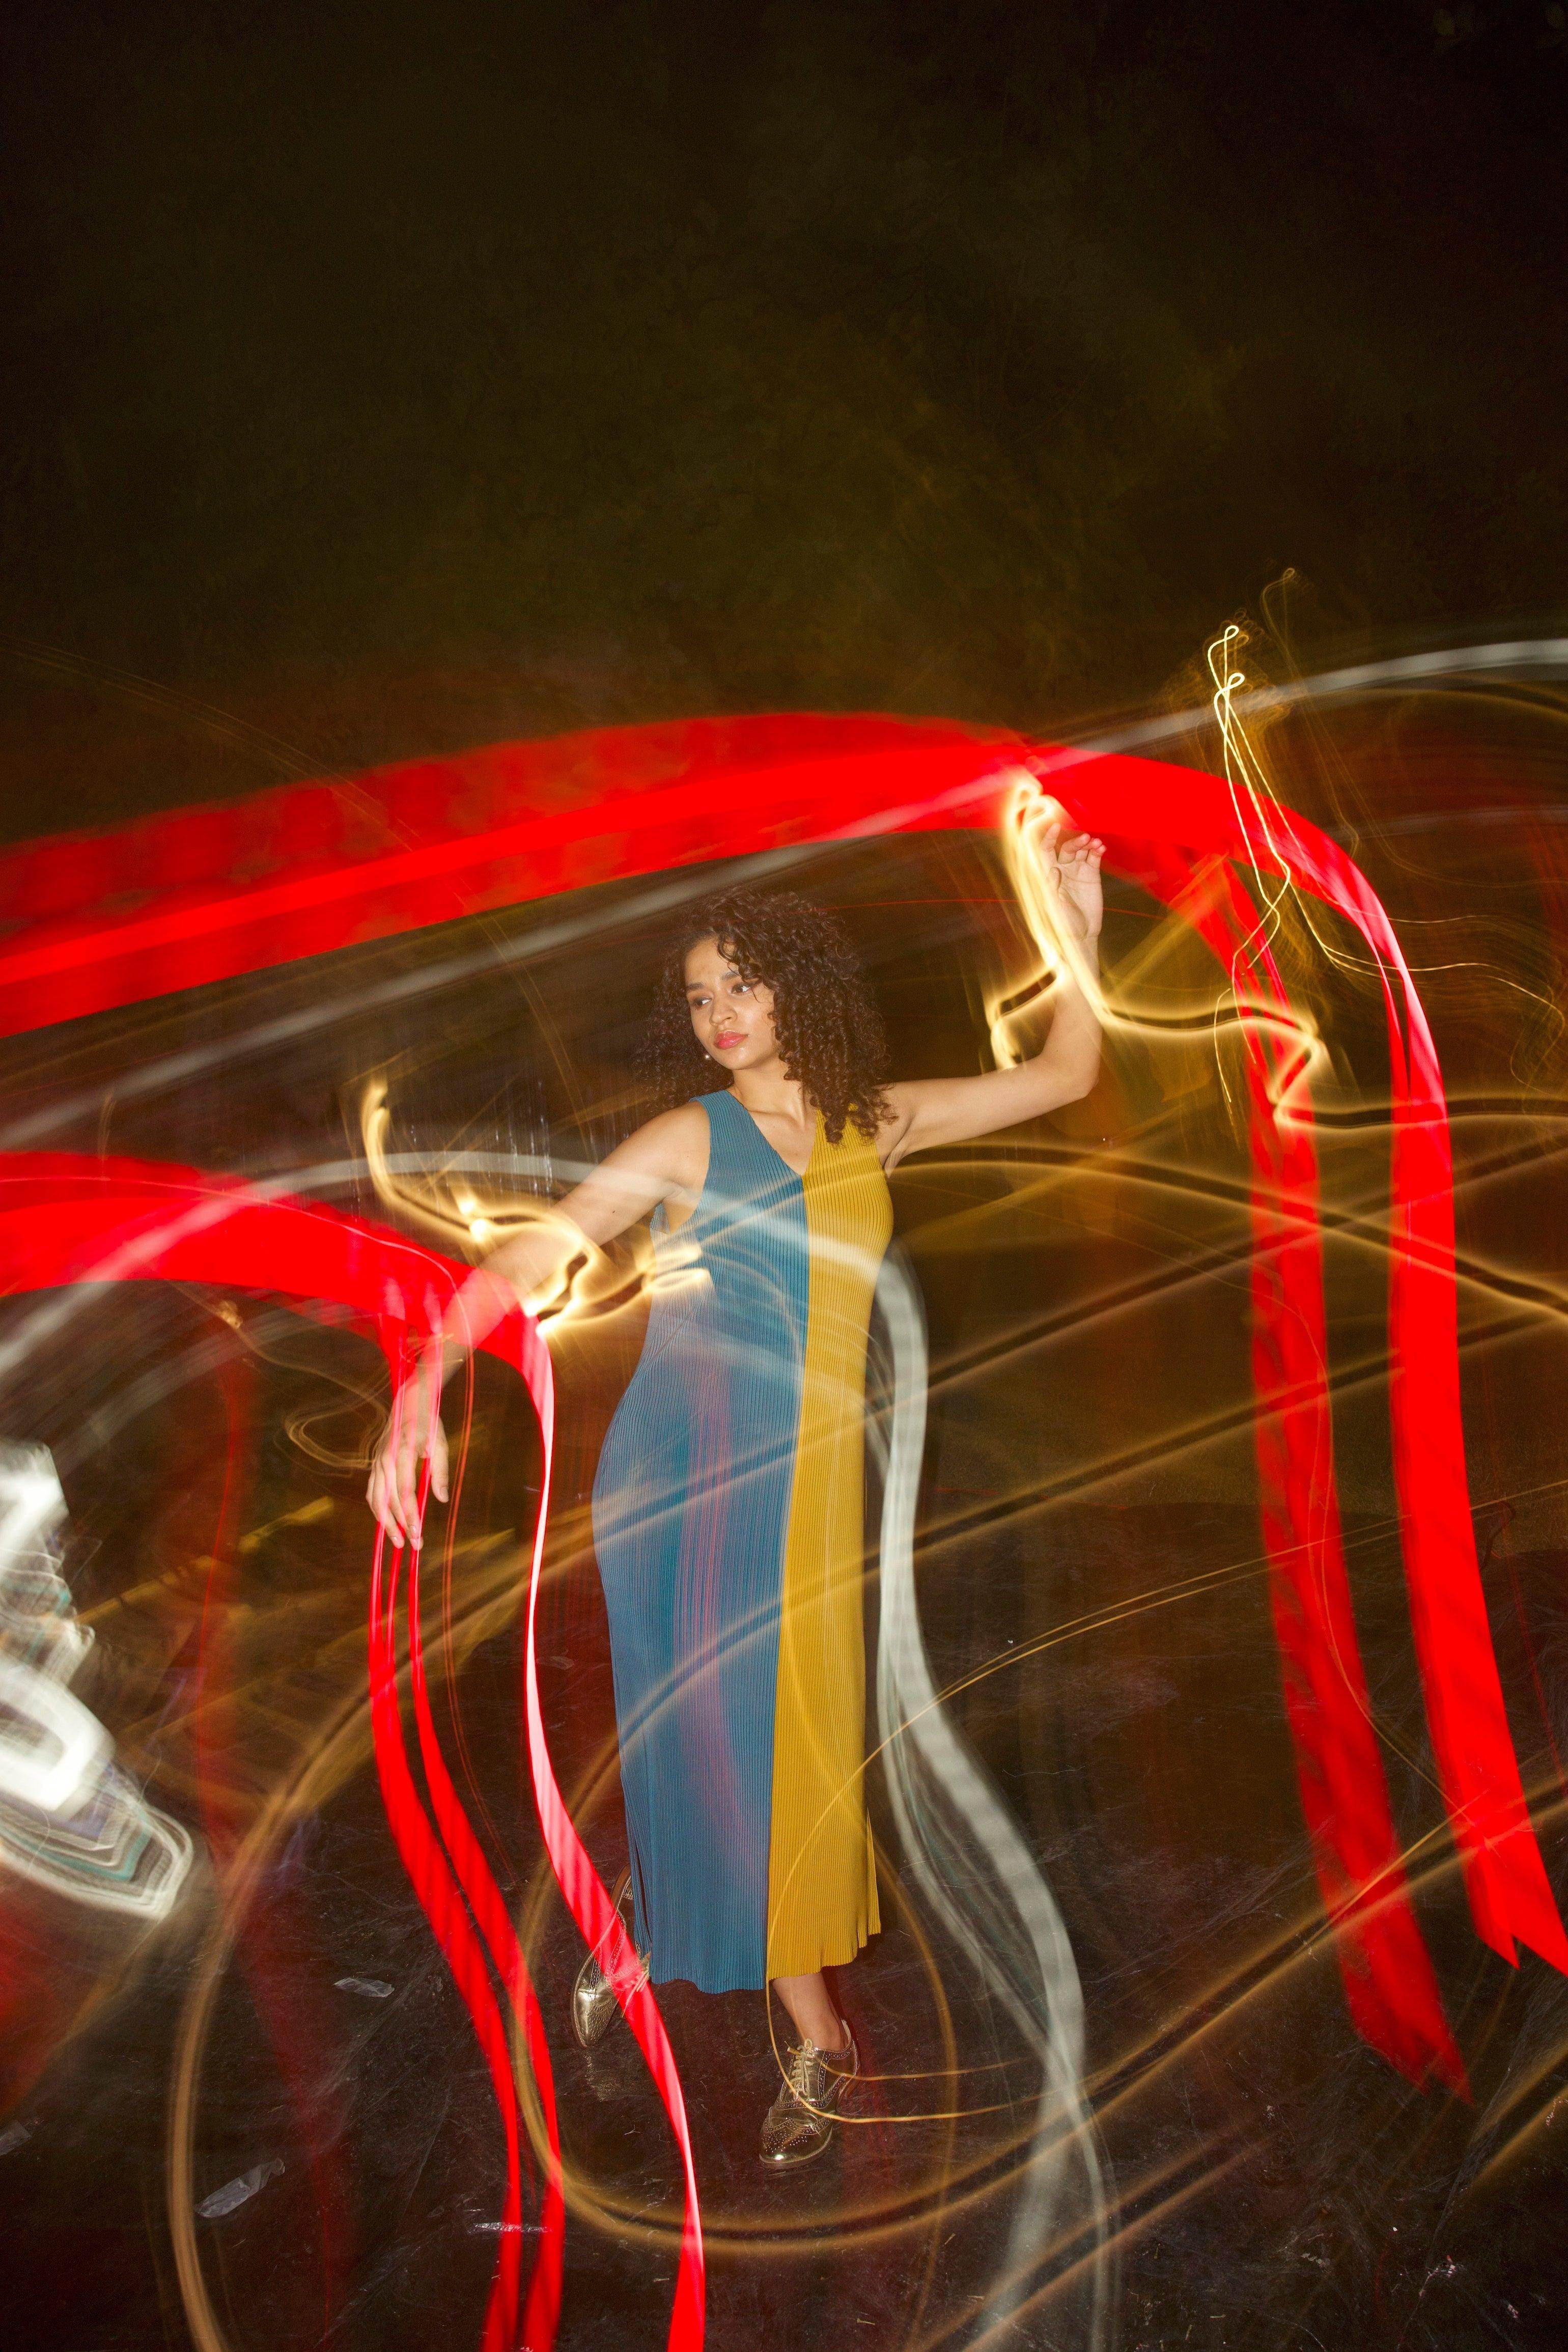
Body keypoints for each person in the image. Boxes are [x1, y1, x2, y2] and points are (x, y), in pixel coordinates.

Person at [368, 824, 1104, 2165]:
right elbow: (543, 1246)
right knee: (728, 1740)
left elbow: (1065, 1073)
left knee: (788, 1744)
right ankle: (819, 2036)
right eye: (699, 995)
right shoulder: (687, 1138)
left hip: (813, 1485)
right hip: (683, 1484)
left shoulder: (878, 1120)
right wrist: (427, 1373)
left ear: (797, 985)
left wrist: (1075, 930)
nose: (717, 1014)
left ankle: (663, 1907)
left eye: (740, 985)